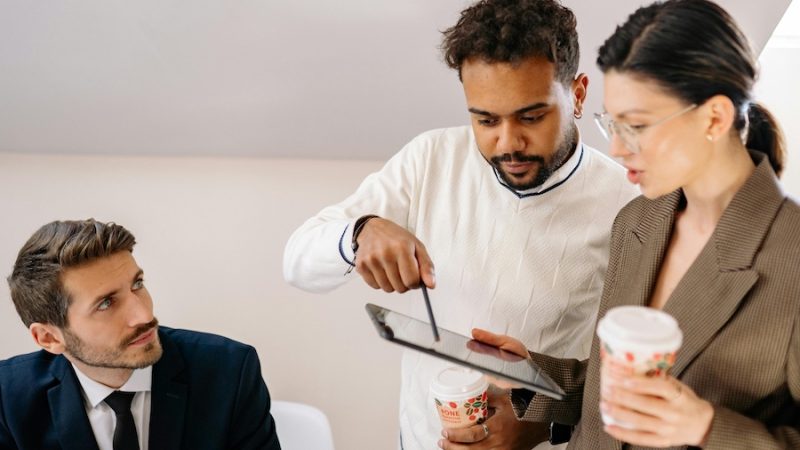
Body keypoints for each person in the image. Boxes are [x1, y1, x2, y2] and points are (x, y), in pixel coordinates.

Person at [283, 0, 639, 448]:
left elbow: (635, 371)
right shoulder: (430, 159)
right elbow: (296, 261)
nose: (508, 143)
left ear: (579, 94)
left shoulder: (629, 201)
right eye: (486, 120)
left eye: (531, 116)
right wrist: (359, 232)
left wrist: (546, 424)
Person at [470, 0, 800, 448]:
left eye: (637, 126)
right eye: (613, 125)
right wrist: (530, 372)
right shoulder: (638, 220)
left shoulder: (791, 257)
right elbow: (615, 382)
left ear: (714, 118)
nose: (620, 151)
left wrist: (705, 426)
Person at [0, 219, 282, 450]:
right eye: (106, 303)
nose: (145, 316)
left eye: (137, 284)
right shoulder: (8, 396)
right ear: (49, 338)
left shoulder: (229, 370)